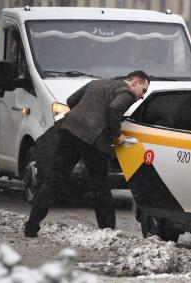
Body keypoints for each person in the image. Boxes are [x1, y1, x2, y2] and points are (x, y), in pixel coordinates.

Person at [24, 70, 150, 238]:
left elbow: (71, 100)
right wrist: (116, 135)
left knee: (53, 179)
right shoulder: (127, 93)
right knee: (100, 186)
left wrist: (84, 115)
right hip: (94, 140)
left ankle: (32, 225)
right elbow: (114, 109)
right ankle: (108, 232)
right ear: (135, 82)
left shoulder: (97, 83)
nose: (142, 96)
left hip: (69, 131)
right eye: (143, 90)